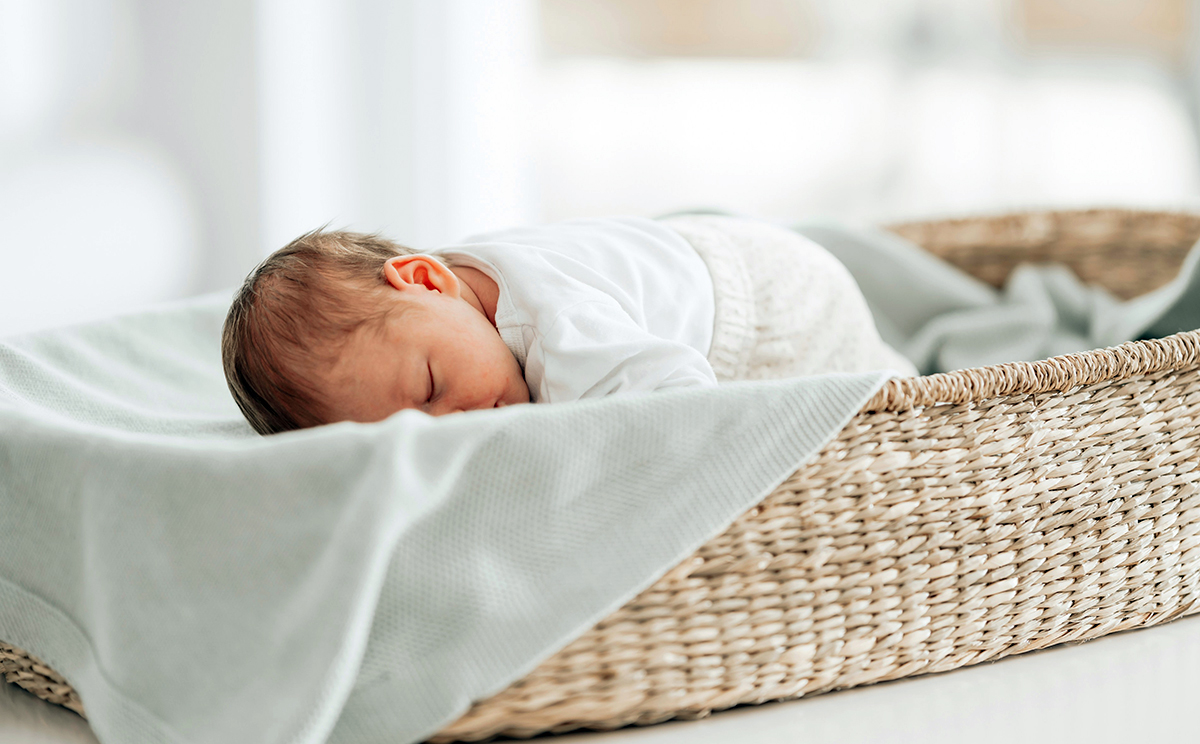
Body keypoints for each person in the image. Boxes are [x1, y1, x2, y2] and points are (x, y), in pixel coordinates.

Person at [222, 214, 915, 434]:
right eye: (417, 431)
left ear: (428, 278)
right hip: (728, 252)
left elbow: (694, 422)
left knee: (885, 406)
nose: (458, 420)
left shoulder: (563, 337)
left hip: (782, 310)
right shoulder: (460, 302)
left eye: (432, 383)